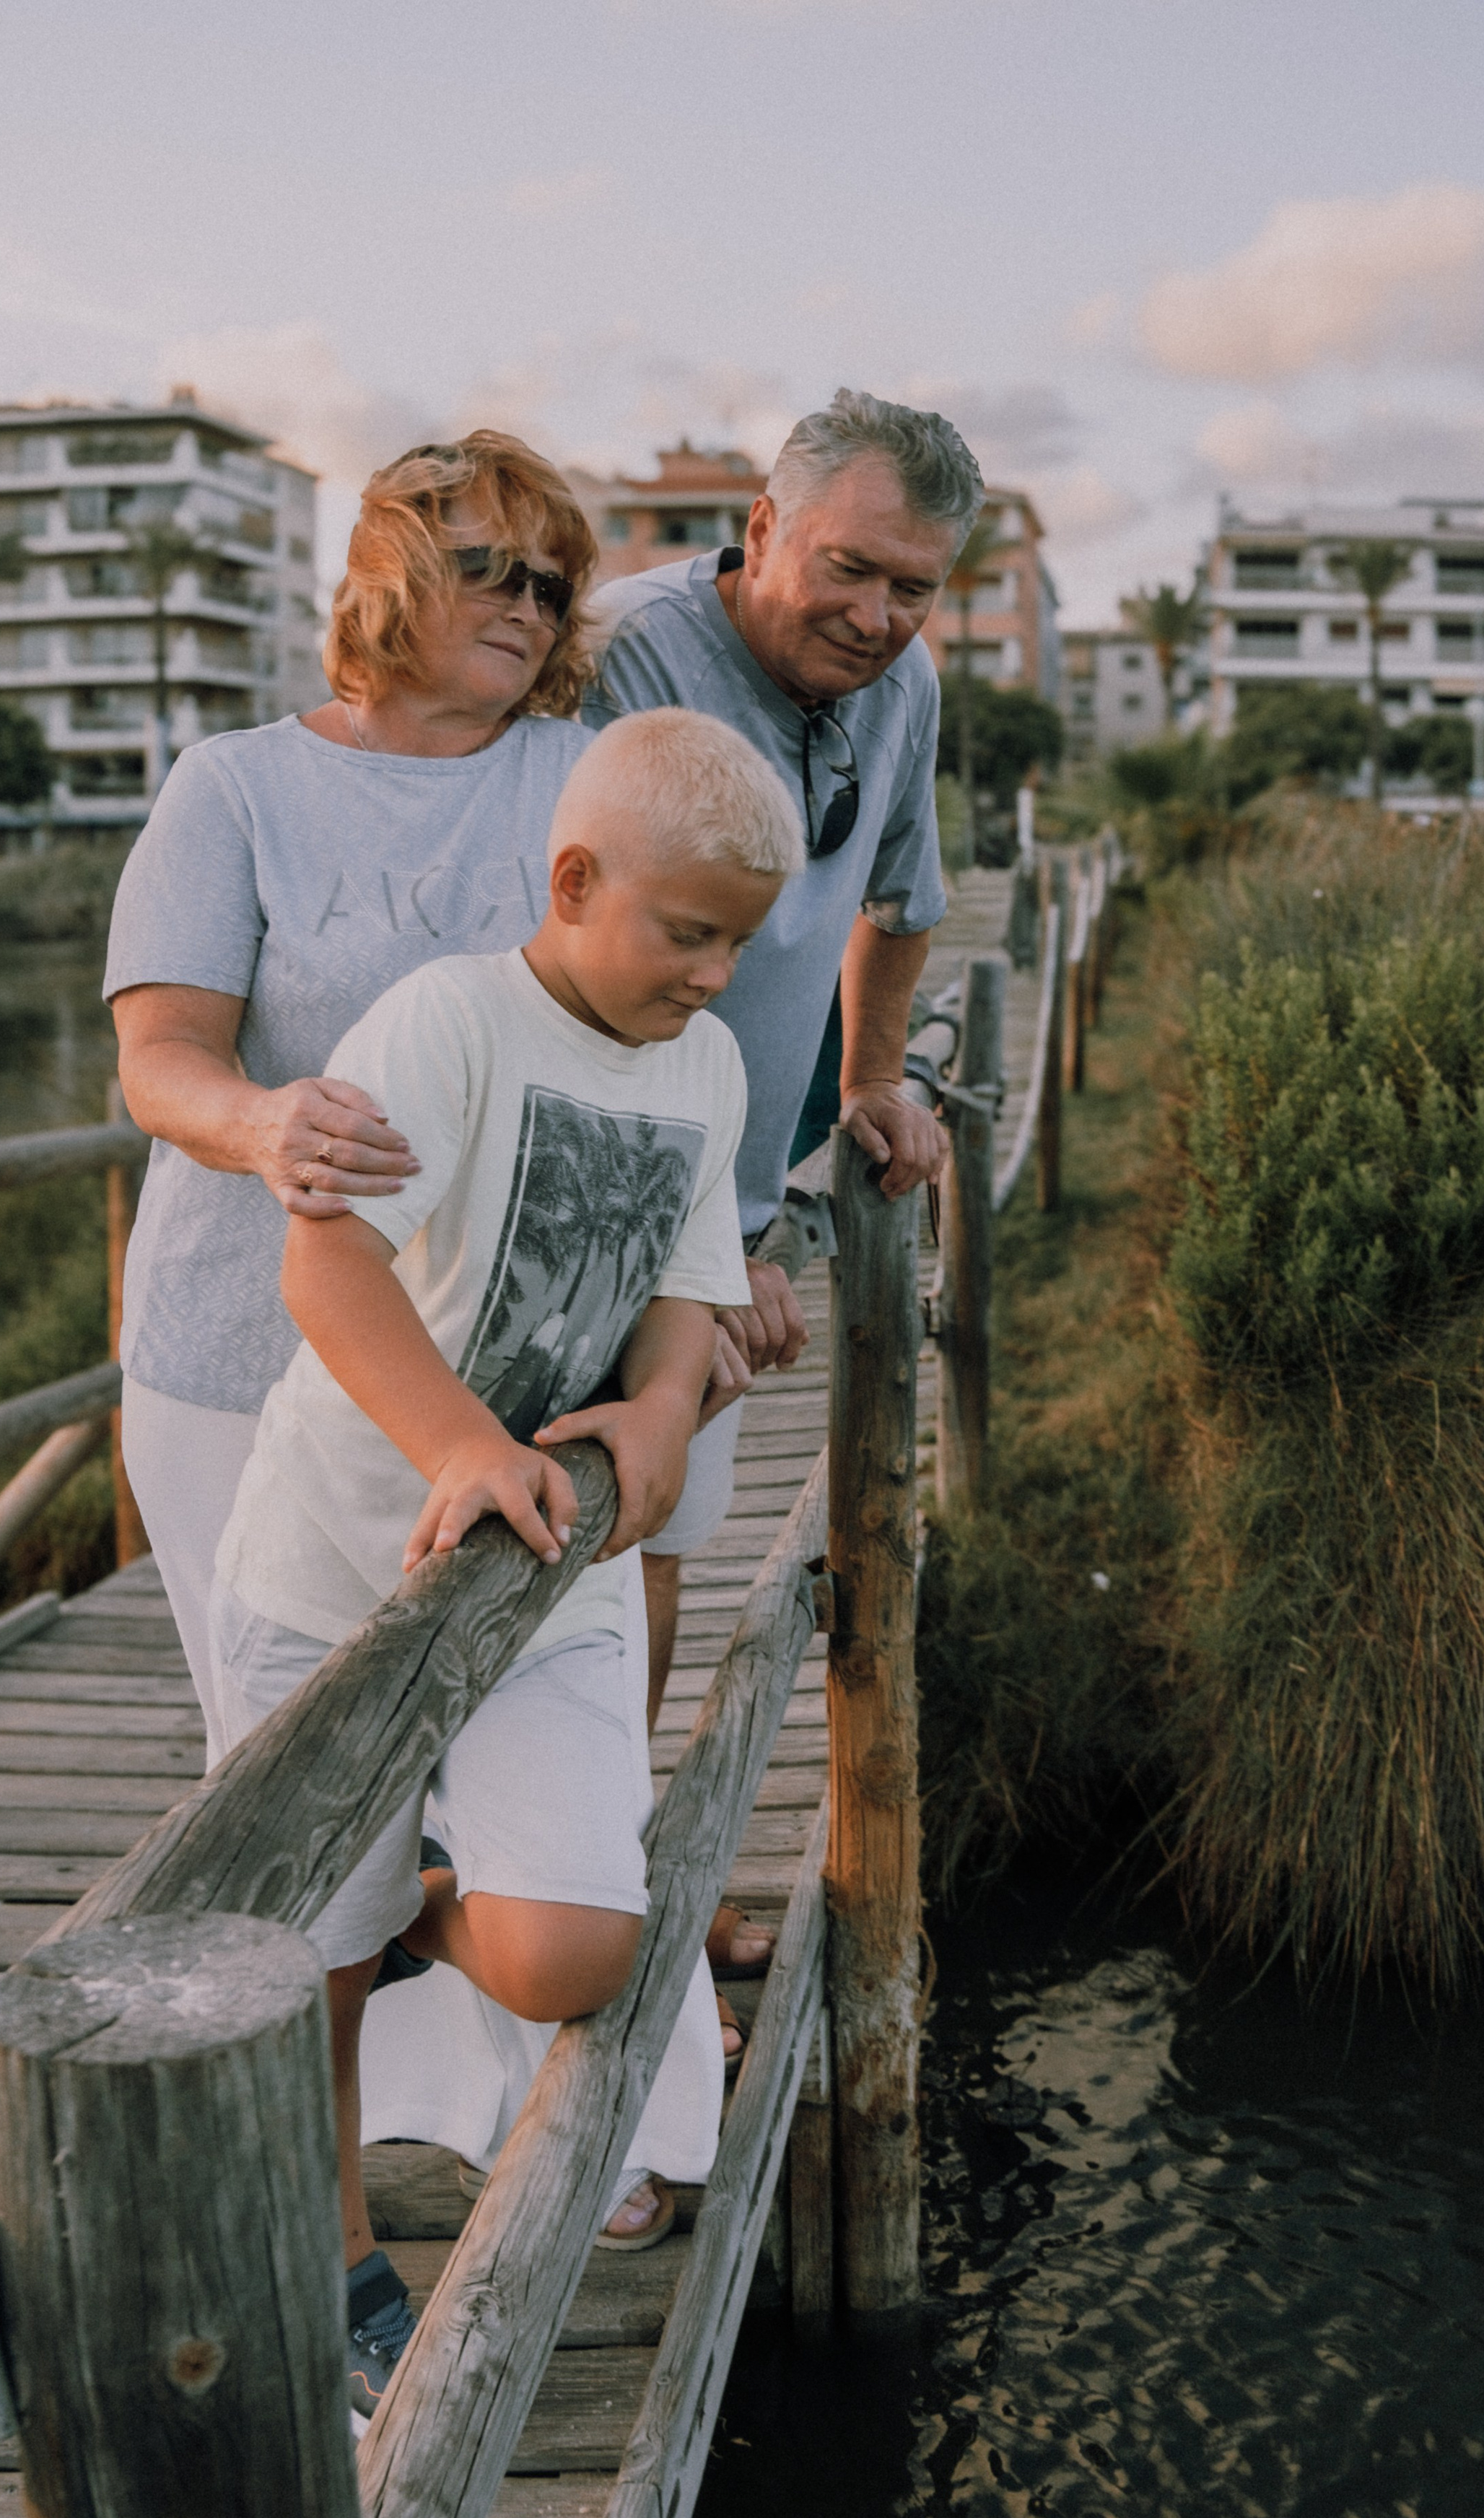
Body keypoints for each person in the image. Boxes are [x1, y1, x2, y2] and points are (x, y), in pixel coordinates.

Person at [105, 432, 729, 2232]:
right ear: (385, 575)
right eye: (488, 572)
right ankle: (327, 2230)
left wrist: (717, 1259)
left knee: (516, 1784)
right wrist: (258, 1123)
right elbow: (160, 1055)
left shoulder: (576, 780)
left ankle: (549, 2104)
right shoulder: (231, 787)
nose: (530, 612)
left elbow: (691, 993)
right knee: (299, 1819)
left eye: (553, 582)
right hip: (247, 1358)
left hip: (520, 1382)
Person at [204, 707, 804, 2414]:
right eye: (685, 930)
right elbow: (327, 1271)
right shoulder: (451, 1021)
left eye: (740, 941)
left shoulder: (702, 1064)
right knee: (298, 1967)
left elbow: (688, 1283)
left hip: (548, 1578)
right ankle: (330, 2261)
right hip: (340, 1567)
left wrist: (668, 1406)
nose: (711, 973)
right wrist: (459, 1438)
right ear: (571, 878)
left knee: (573, 1953)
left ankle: (421, 1919)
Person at [582, 389, 983, 1734]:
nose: (877, 616)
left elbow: (902, 902)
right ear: (764, 528)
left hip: (736, 1214)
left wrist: (871, 1082)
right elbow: (579, 986)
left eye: (913, 587)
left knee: (650, 1558)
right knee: (544, 1560)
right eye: (850, 568)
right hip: (589, 1216)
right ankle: (455, 1922)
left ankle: (612, 1894)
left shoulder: (903, 684)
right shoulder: (629, 654)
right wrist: (697, 1253)